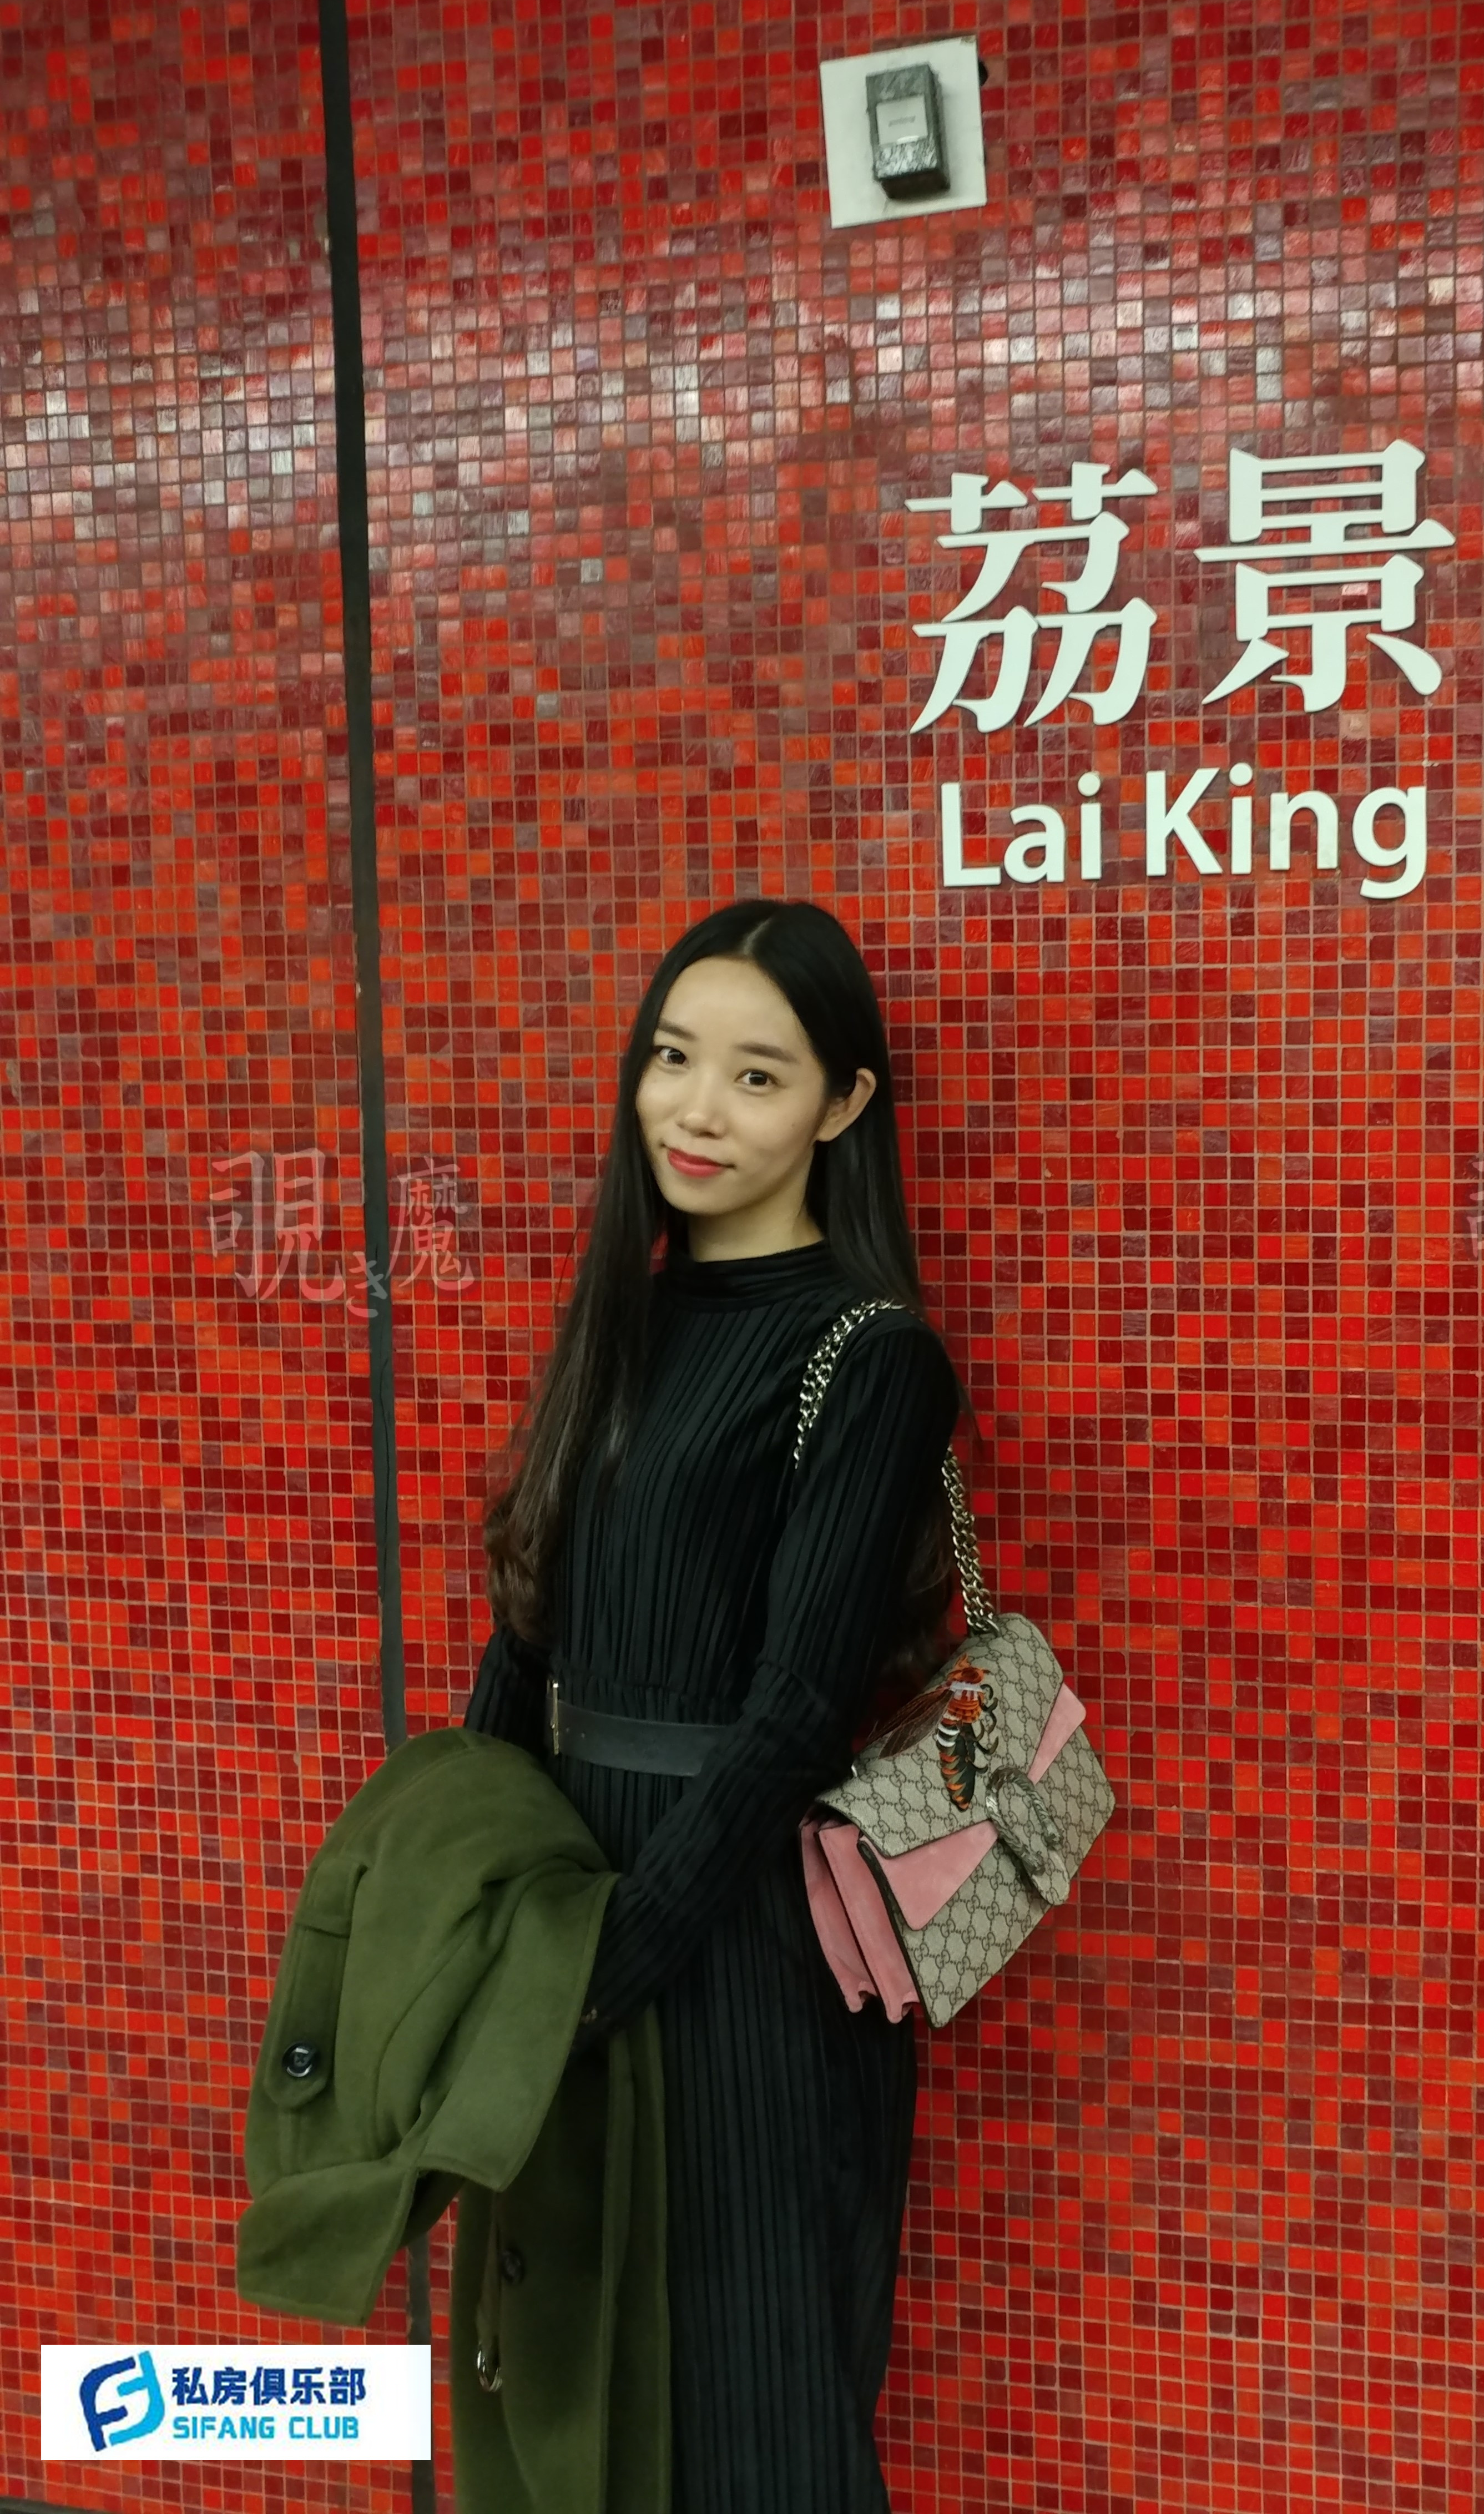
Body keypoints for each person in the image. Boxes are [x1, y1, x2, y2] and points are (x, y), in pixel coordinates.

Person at [462, 896, 963, 2513]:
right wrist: (470, 1903)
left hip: (743, 1949)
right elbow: (531, 1629)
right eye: (674, 1058)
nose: (697, 1109)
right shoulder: (624, 1312)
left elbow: (799, 1708)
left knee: (753, 2417)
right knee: (582, 2395)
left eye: (758, 1076)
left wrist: (609, 1965)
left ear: (843, 1104)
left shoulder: (868, 1357)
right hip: (572, 1918)